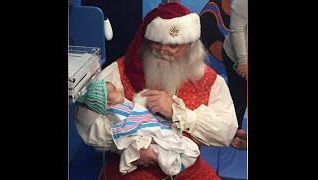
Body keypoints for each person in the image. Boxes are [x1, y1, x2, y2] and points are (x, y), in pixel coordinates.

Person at [75, 2, 238, 179]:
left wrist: (177, 112)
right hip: (132, 167)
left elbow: (225, 132)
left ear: (190, 45)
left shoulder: (209, 80)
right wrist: (132, 148)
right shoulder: (120, 71)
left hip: (186, 166)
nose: (163, 51)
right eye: (156, 43)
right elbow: (86, 121)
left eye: (173, 45)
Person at [76, 79, 200, 177]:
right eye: (114, 91)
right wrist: (138, 142)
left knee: (183, 144)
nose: (119, 89)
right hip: (145, 137)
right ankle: (173, 164)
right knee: (166, 149)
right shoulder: (113, 113)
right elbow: (122, 129)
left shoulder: (122, 102)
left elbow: (139, 110)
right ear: (107, 103)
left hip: (154, 124)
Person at [222, 0, 248, 150]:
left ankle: (234, 128)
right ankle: (230, 132)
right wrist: (242, 61)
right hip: (237, 56)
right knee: (238, 96)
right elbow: (236, 29)